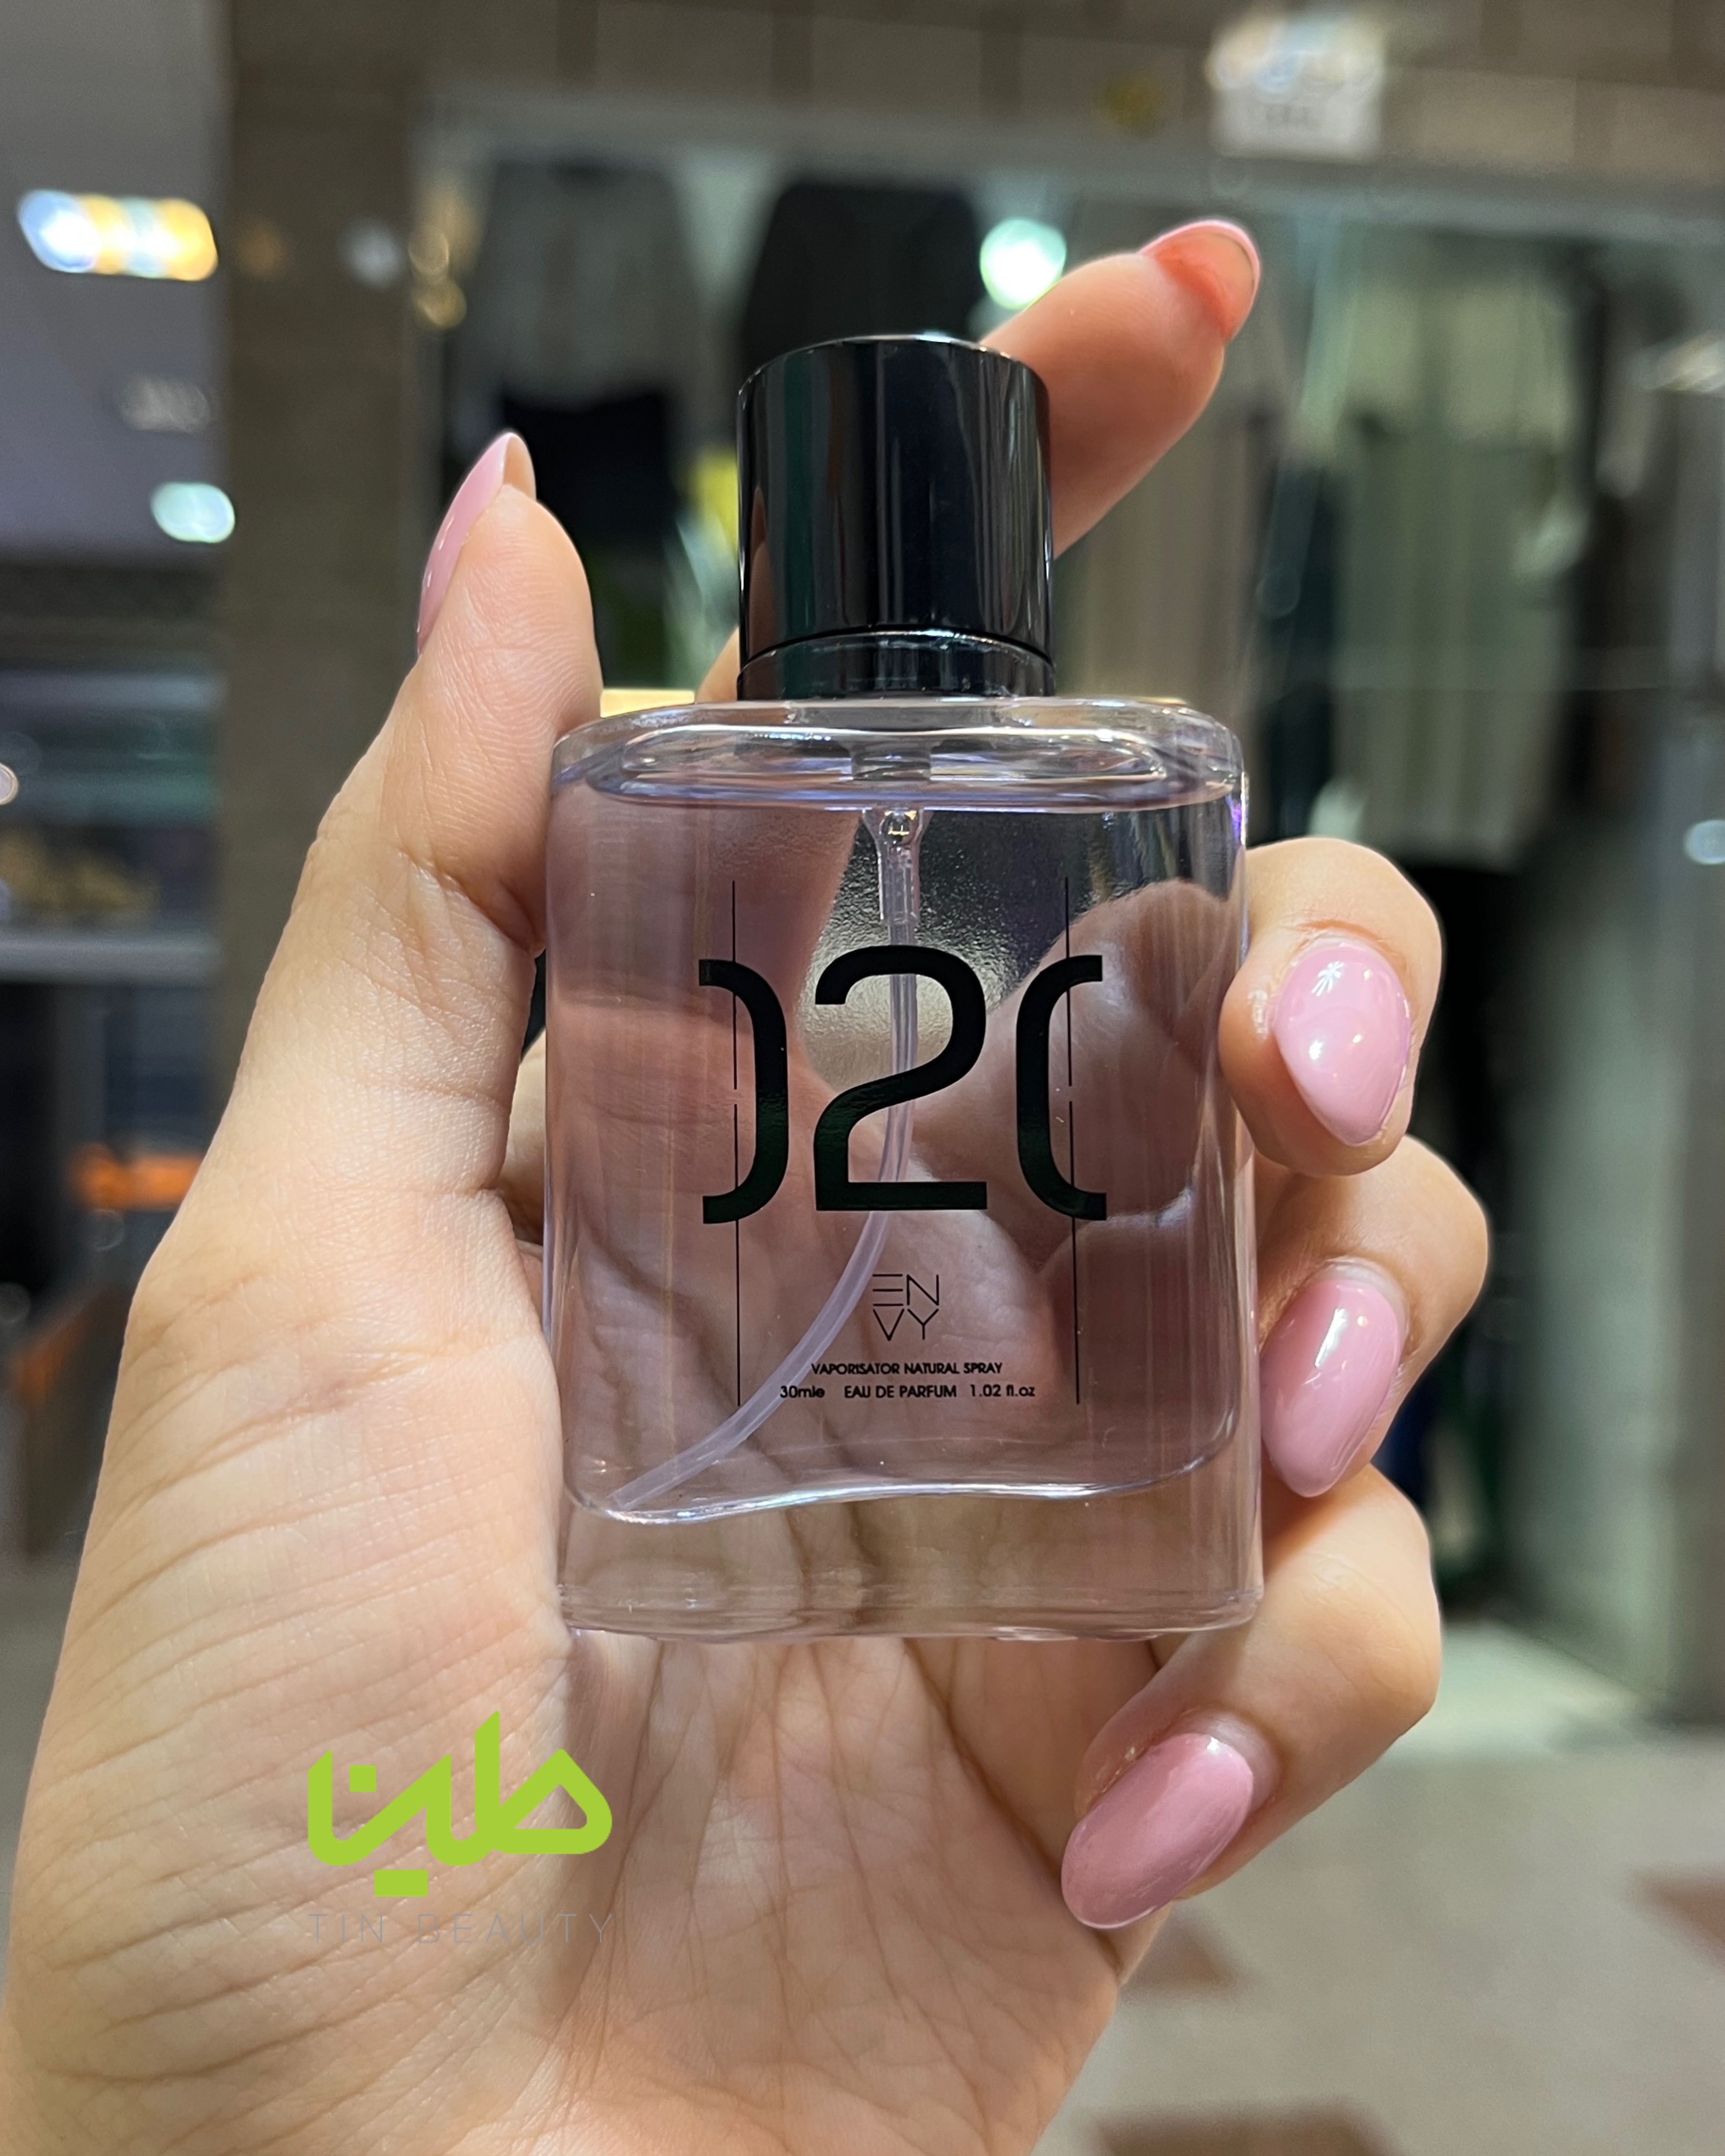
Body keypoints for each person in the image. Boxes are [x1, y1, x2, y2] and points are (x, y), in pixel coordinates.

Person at [0, 225, 1484, 2154]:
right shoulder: (651, 791)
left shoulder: (1139, 772)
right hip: (521, 1793)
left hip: (831, 1816)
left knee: (1197, 1052)